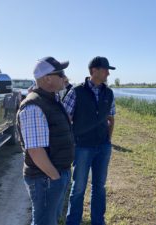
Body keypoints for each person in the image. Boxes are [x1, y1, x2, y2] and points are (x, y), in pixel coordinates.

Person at [17, 56, 75, 225]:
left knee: (51, 220)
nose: (65, 78)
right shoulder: (34, 106)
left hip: (54, 175)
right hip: (46, 179)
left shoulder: (51, 100)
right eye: (61, 73)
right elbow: (36, 152)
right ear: (47, 78)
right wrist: (56, 178)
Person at [63, 56, 116, 225]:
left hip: (103, 147)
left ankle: (98, 221)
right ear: (94, 70)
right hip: (82, 147)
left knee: (99, 188)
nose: (108, 73)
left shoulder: (109, 93)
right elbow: (65, 118)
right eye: (106, 69)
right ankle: (73, 222)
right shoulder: (76, 91)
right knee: (78, 188)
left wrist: (108, 139)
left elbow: (111, 118)